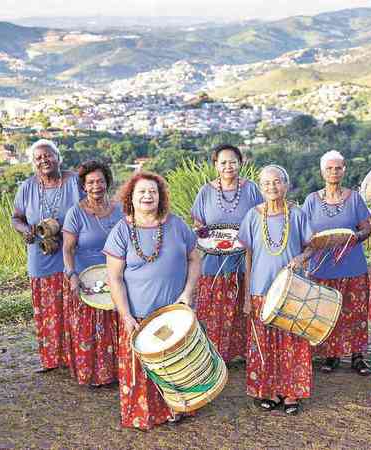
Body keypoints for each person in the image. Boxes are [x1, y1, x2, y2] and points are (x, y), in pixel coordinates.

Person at [104, 171, 202, 429]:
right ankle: (145, 414)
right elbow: (114, 278)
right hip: (137, 315)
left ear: (160, 197)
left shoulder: (176, 225)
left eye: (153, 192)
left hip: (174, 312)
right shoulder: (121, 231)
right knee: (143, 368)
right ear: (131, 198)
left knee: (176, 363)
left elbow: (195, 259)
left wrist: (187, 294)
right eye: (141, 192)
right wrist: (125, 314)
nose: (147, 196)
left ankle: (177, 409)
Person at [238, 165, 314, 416]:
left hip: (293, 289)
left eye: (277, 182)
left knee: (292, 341)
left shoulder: (298, 213)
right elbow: (247, 255)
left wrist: (301, 258)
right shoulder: (252, 215)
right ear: (261, 187)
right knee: (265, 342)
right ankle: (269, 390)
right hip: (261, 289)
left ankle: (292, 393)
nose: (272, 187)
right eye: (267, 183)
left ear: (286, 184)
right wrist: (248, 295)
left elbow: (311, 247)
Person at [12, 139, 81, 373]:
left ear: (58, 157)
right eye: (39, 158)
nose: (44, 160)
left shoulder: (74, 181)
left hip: (72, 254)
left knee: (75, 306)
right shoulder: (27, 187)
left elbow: (91, 208)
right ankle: (52, 359)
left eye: (48, 155)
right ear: (33, 163)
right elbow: (16, 218)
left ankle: (77, 358)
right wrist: (27, 230)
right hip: (40, 256)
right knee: (48, 309)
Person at [301, 150, 371, 375]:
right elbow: (304, 233)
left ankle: (357, 356)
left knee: (355, 311)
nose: (334, 172)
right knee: (326, 311)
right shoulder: (311, 200)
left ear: (344, 170)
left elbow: (367, 228)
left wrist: (353, 238)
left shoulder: (354, 198)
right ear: (322, 171)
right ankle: (330, 355)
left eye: (338, 168)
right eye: (329, 168)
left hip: (353, 266)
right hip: (322, 268)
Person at [191, 144, 263, 362]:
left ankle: (243, 353)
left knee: (244, 306)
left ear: (240, 163)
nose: (228, 166)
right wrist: (200, 232)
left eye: (233, 162)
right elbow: (198, 223)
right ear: (215, 165)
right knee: (215, 309)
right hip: (213, 261)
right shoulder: (206, 191)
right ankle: (215, 354)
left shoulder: (251, 189)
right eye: (223, 162)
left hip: (246, 261)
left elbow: (262, 219)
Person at [62, 160, 123, 386]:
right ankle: (95, 374)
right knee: (90, 329)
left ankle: (119, 371)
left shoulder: (120, 209)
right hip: (87, 279)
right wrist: (72, 274)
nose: (96, 186)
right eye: (90, 182)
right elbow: (67, 249)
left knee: (117, 322)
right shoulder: (75, 213)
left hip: (117, 278)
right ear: (84, 186)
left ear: (107, 182)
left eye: (100, 181)